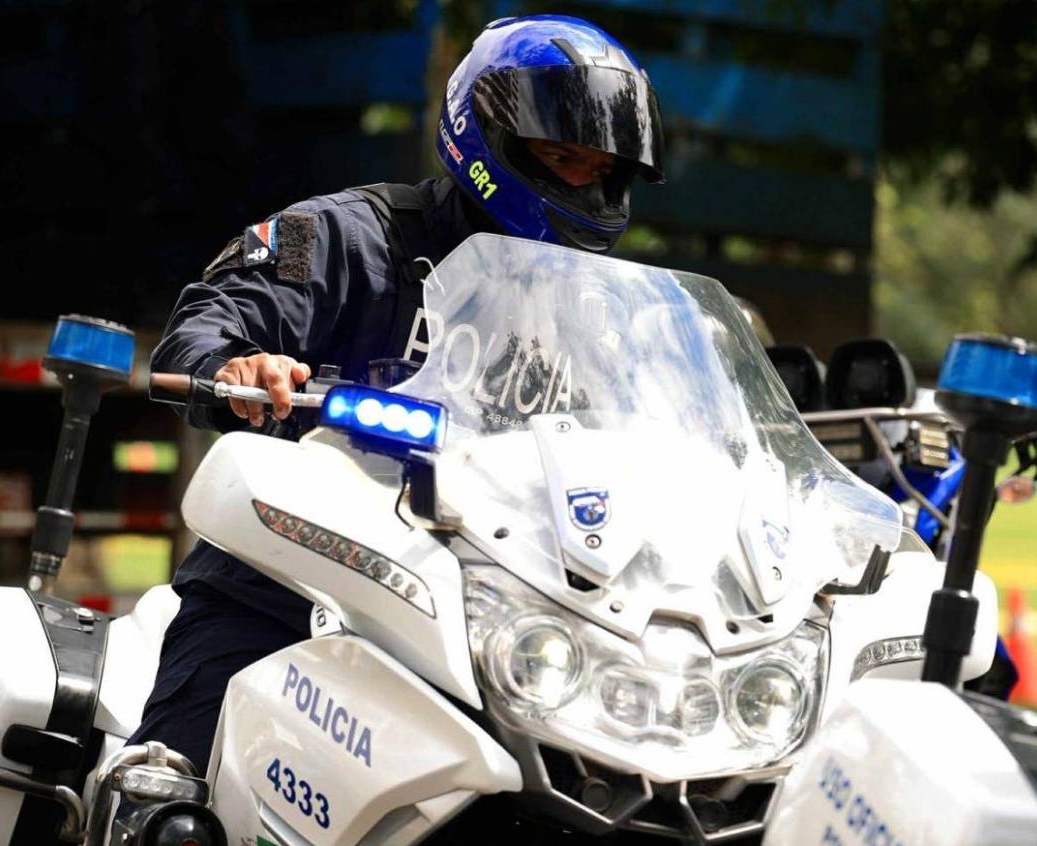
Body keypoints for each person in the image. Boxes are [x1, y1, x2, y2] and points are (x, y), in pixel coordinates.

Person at [136, 13, 666, 778]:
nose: (581, 181)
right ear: (489, 134)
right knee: (171, 793)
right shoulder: (336, 234)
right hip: (292, 587)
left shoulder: (601, 317)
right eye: (560, 156)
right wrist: (242, 363)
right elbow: (208, 322)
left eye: (598, 167)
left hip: (489, 627)